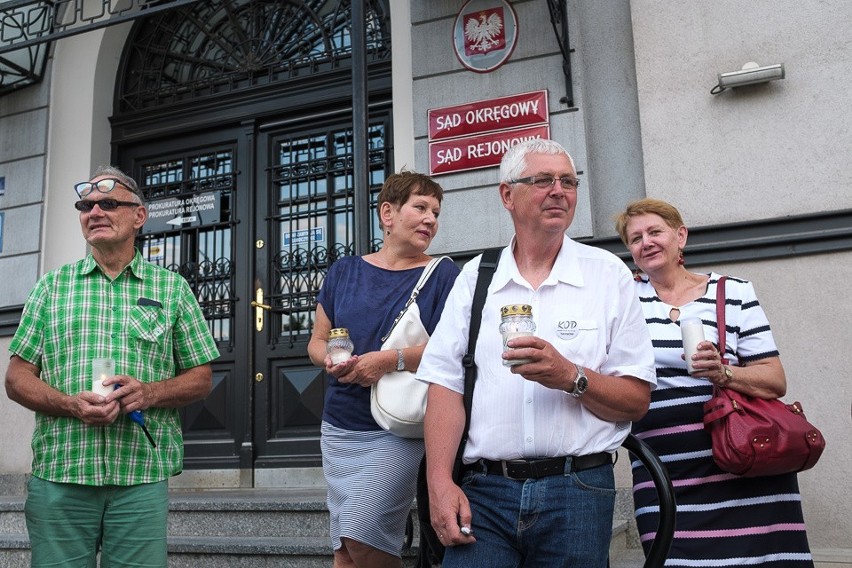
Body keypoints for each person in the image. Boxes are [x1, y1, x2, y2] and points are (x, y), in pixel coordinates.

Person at [417, 139, 657, 567]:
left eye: (568, 181)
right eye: (543, 180)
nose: (559, 190)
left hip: (578, 490)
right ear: (507, 194)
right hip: (484, 492)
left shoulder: (607, 275)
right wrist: (439, 484)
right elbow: (444, 384)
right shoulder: (477, 277)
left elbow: (636, 400)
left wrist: (571, 377)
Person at [5, 166, 219, 567]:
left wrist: (149, 392)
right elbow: (16, 378)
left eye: (108, 203)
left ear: (139, 216)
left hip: (139, 474)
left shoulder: (171, 289)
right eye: (86, 205)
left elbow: (201, 378)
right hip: (61, 471)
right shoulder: (51, 287)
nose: (95, 212)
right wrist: (71, 404)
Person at [615, 198, 815, 567]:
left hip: (746, 464)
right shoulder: (622, 300)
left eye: (655, 231)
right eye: (636, 238)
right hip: (664, 475)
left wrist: (723, 372)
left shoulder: (733, 292)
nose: (646, 242)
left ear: (681, 236)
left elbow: (774, 380)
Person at [307, 171, 460, 568]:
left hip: (399, 425)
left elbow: (455, 349)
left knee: (362, 534)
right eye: (421, 207)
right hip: (340, 424)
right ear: (387, 213)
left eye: (436, 212)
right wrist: (329, 358)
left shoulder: (444, 275)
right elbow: (316, 341)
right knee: (343, 550)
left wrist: (389, 361)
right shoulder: (344, 271)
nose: (430, 219)